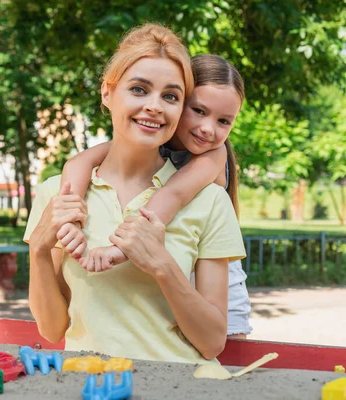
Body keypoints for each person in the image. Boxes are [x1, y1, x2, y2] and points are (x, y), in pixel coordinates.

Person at [24, 23, 246, 364]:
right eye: (139, 90)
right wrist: (39, 249)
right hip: (92, 384)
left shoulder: (209, 197)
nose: (155, 106)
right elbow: (52, 330)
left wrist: (161, 264)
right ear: (107, 93)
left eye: (170, 96)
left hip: (181, 384)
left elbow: (214, 343)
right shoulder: (57, 192)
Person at [58, 54, 252, 338]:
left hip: (214, 277)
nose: (209, 128)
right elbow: (78, 164)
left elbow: (172, 195)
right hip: (172, 261)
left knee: (227, 357)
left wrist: (120, 249)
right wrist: (69, 223)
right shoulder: (151, 139)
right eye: (198, 111)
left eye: (224, 121)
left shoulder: (213, 155)